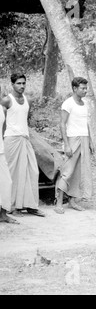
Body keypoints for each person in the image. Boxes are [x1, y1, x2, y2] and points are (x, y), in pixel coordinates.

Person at [0, 73, 44, 217]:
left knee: (32, 171)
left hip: (25, 139)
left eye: (23, 83)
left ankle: (30, 205)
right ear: (12, 84)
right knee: (12, 174)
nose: (22, 86)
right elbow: (2, 121)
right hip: (11, 140)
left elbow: (25, 120)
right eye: (18, 83)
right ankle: (10, 207)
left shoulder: (28, 100)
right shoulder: (6, 100)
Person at [54, 77, 94, 214]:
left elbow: (86, 124)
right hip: (72, 140)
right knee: (67, 172)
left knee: (78, 172)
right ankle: (58, 202)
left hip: (84, 139)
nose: (85, 90)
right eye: (82, 88)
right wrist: (67, 145)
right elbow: (62, 124)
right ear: (74, 89)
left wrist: (90, 142)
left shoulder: (85, 104)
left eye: (85, 88)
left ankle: (72, 201)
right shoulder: (68, 103)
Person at [0, 105, 18, 224]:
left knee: (7, 182)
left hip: (0, 151)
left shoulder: (2, 109)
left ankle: (3, 214)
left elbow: (3, 130)